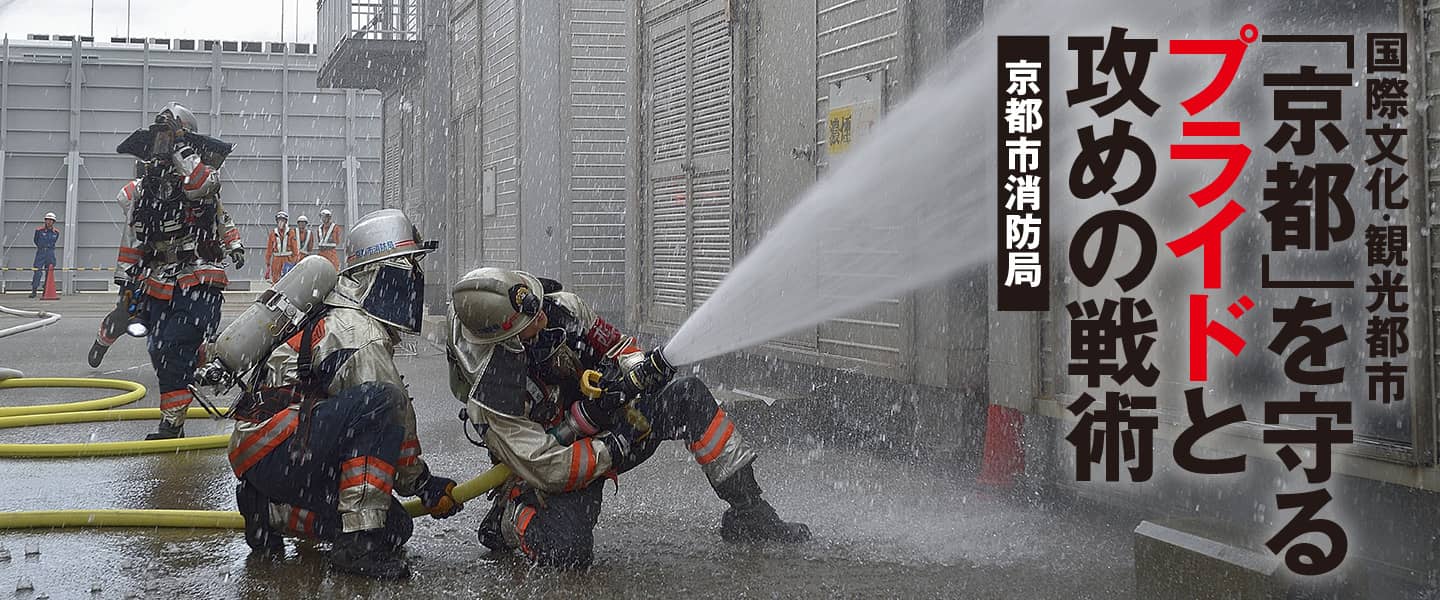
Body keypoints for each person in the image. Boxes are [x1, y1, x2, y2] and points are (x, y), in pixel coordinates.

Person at [446, 268, 809, 569]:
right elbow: (546, 465)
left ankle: (751, 512)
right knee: (568, 552)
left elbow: (620, 346)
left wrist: (634, 371)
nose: (542, 315)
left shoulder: (563, 310)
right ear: (506, 337)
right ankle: (509, 519)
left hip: (608, 428)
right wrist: (613, 446)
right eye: (531, 319)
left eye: (538, 306)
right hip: (552, 466)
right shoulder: (492, 393)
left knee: (688, 396)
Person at [227, 209, 462, 579]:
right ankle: (356, 548)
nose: (416, 279)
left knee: (395, 528)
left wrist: (418, 487)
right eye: (411, 267)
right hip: (273, 445)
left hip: (274, 452)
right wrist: (421, 483)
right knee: (379, 402)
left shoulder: (341, 306)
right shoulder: (357, 328)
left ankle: (268, 511)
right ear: (386, 271)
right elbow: (392, 410)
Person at [91, 102, 244, 438]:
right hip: (158, 279)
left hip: (198, 279)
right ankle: (194, 355)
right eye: (159, 141)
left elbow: (203, 190)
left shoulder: (202, 176)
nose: (162, 148)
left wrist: (180, 147)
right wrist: (125, 280)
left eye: (168, 139)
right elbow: (132, 235)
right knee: (158, 347)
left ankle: (172, 425)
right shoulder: (143, 189)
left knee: (173, 348)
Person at [29, 213, 59, 298]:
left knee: (49, 272)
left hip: (50, 253)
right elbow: (36, 240)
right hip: (41, 252)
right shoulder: (39, 230)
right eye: (47, 220)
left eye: (51, 220)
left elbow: (54, 241)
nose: (49, 222)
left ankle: (46, 289)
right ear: (45, 221)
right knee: (37, 271)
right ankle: (34, 290)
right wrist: (41, 247)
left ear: (53, 222)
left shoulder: (56, 232)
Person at [265, 211, 298, 283]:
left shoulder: (291, 232)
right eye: (279, 220)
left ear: (286, 221)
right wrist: (268, 263)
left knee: (287, 280)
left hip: (288, 260)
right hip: (276, 260)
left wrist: (294, 261)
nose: (281, 222)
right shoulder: (273, 233)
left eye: (282, 220)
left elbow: (295, 249)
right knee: (276, 280)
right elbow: (269, 249)